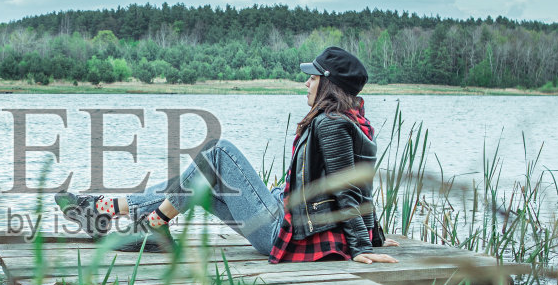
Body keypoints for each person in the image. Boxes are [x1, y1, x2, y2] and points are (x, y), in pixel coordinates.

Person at [56, 46, 399, 264]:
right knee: (199, 181)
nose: (305, 85)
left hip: (281, 230)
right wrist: (374, 233)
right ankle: (106, 211)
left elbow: (348, 187)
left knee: (219, 152)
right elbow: (360, 182)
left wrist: (362, 247)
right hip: (284, 215)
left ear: (328, 83)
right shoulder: (354, 120)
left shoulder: (331, 124)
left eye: (311, 78)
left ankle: (139, 220)